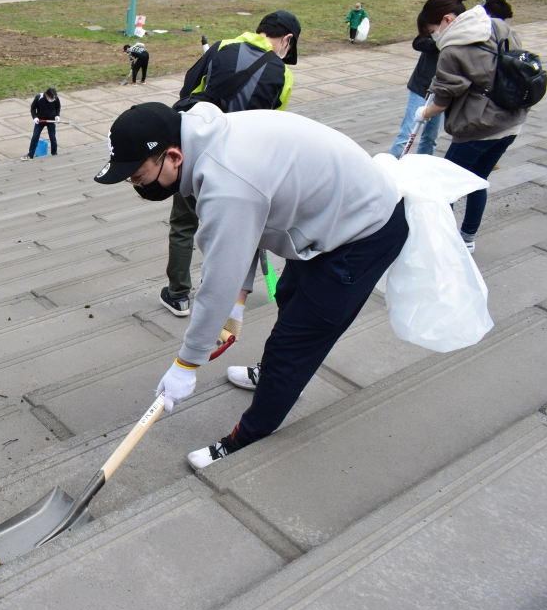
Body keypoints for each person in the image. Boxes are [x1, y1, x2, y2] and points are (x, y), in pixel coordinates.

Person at [92, 101, 406, 468]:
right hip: (329, 214)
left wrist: (187, 362)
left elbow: (219, 275)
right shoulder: (201, 139)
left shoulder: (227, 181)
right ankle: (271, 375)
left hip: (362, 231)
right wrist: (238, 301)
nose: (136, 184)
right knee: (289, 297)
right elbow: (243, 234)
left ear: (173, 156)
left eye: (138, 176)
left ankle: (248, 437)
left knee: (296, 342)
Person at [167, 11, 299, 321]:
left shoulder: (220, 47)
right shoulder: (283, 74)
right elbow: (271, 127)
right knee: (226, 231)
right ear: (287, 40)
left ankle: (178, 295)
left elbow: (187, 93)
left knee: (184, 225)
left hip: (195, 154)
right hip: (240, 168)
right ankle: (216, 294)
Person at [414, 0, 529, 253]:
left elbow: (442, 101)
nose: (434, 36)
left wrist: (424, 113)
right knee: (478, 180)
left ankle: (441, 241)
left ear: (446, 20)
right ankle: (467, 238)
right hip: (513, 120)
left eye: (432, 30)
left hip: (480, 127)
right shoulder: (497, 25)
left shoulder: (453, 49)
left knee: (447, 185)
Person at [388, 23, 442, 158]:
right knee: (406, 134)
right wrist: (439, 40)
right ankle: (390, 169)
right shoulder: (438, 28)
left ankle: (421, 168)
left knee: (431, 137)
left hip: (442, 91)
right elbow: (418, 43)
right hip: (421, 86)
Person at [21, 87, 61, 161]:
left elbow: (58, 106)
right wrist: (35, 117)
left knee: (53, 137)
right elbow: (33, 108)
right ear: (47, 95)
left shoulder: (55, 98)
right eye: (51, 98)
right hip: (40, 121)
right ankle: (30, 155)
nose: (52, 100)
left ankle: (54, 153)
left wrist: (57, 115)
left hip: (51, 120)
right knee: (35, 137)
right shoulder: (39, 97)